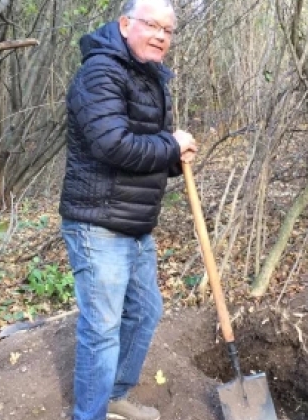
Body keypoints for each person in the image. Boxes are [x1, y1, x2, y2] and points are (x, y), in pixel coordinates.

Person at [58, 0, 197, 419]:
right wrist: (170, 144)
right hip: (97, 223)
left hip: (134, 223)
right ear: (124, 24)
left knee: (145, 311)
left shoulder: (147, 77)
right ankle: (90, 415)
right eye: (151, 25)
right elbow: (112, 145)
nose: (160, 36)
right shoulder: (100, 73)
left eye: (167, 30)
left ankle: (114, 394)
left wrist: (173, 157)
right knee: (102, 330)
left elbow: (141, 149)